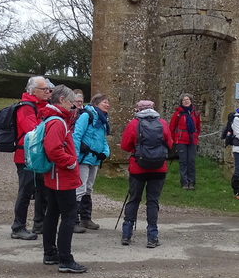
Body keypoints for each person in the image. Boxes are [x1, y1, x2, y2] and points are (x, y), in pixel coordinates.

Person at [39, 85, 87, 273]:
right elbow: (53, 149)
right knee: (69, 216)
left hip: (54, 175)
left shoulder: (50, 118)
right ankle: (65, 259)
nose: (72, 105)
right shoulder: (58, 122)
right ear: (61, 100)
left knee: (52, 213)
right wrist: (71, 162)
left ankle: (50, 253)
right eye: (70, 101)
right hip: (62, 175)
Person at [120, 100, 174, 247]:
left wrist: (137, 149)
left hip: (138, 167)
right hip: (159, 167)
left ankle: (126, 234)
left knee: (134, 199)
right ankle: (152, 237)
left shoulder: (133, 124)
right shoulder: (162, 123)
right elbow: (169, 144)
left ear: (138, 109)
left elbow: (125, 145)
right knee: (153, 201)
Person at [10, 76, 52, 241]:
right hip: (25, 156)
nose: (47, 91)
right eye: (44, 89)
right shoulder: (26, 107)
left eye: (48, 89)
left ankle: (39, 223)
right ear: (34, 91)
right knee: (26, 191)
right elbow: (32, 131)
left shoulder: (43, 106)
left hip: (39, 155)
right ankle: (18, 227)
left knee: (43, 189)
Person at [73, 93, 111, 230]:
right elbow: (77, 135)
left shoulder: (102, 119)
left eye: (108, 102)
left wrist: (105, 153)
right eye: (104, 102)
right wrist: (75, 156)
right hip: (84, 158)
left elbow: (103, 139)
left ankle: (86, 219)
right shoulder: (86, 116)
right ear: (96, 104)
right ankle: (74, 221)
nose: (107, 105)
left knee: (88, 188)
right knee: (80, 188)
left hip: (94, 159)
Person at [168, 93, 201, 190]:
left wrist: (195, 135)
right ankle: (184, 182)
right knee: (183, 161)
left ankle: (191, 182)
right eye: (184, 100)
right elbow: (172, 127)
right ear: (181, 102)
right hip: (181, 140)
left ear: (191, 101)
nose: (186, 101)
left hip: (192, 140)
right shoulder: (178, 114)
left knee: (191, 161)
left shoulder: (195, 113)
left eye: (188, 99)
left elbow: (198, 127)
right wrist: (174, 139)